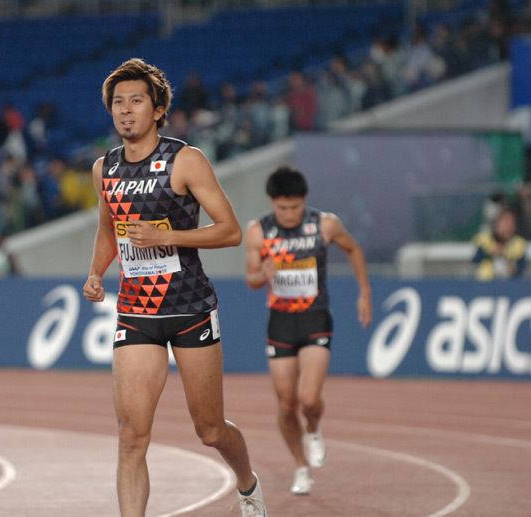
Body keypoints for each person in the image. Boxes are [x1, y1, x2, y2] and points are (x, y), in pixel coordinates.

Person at [82, 58, 267, 517]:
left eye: (136, 101)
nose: (125, 111)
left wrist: (167, 236)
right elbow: (109, 229)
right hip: (136, 313)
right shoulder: (103, 168)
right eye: (118, 103)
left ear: (158, 109)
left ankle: (247, 486)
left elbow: (229, 231)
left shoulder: (185, 159)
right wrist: (94, 272)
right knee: (131, 436)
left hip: (190, 309)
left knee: (209, 430)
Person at [244, 166, 372, 495]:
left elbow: (353, 249)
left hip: (315, 318)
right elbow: (251, 280)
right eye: (282, 208)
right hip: (281, 322)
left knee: (309, 399)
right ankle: (301, 467)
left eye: (295, 207)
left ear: (305, 201)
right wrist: (264, 274)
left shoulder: (324, 224)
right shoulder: (258, 232)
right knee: (286, 404)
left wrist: (365, 294)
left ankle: (313, 428)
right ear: (272, 203)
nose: (288, 215)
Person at [472, 208, 528, 280]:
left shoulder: (519, 243)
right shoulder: (485, 240)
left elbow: (522, 266)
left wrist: (513, 266)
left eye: (510, 222)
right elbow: (476, 260)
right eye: (504, 222)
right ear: (497, 223)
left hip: (510, 285)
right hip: (487, 283)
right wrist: (491, 253)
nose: (507, 225)